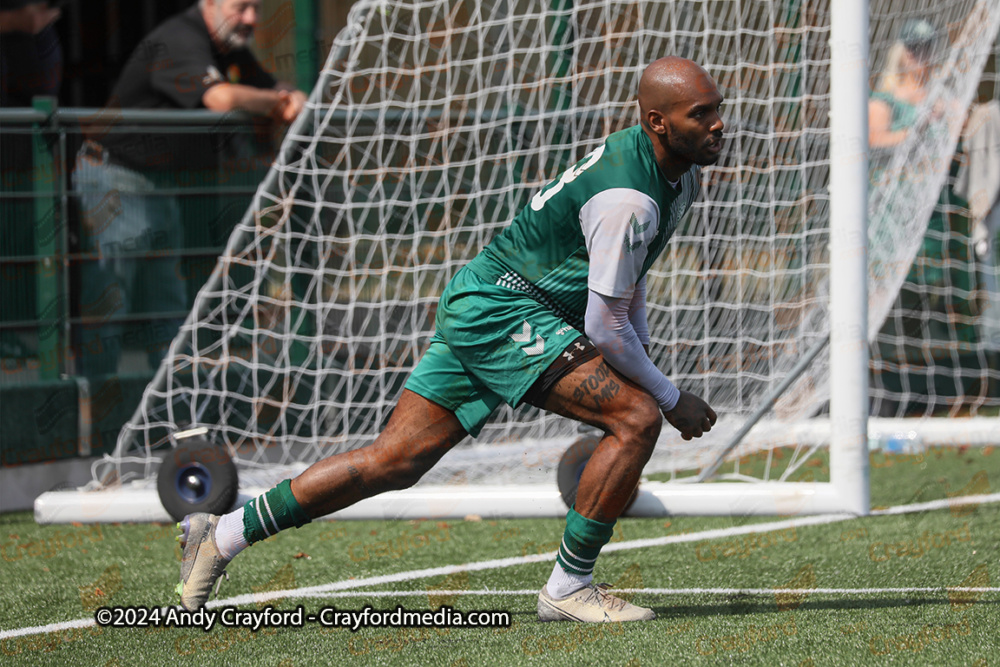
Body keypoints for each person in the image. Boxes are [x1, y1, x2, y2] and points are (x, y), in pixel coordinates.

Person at [177, 56, 724, 623]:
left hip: (492, 301)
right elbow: (605, 322)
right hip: (504, 309)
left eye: (717, 109)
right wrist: (668, 395)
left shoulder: (672, 171)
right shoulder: (629, 197)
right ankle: (568, 589)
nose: (717, 124)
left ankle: (222, 533)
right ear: (658, 123)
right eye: (700, 113)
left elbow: (625, 290)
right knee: (637, 418)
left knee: (393, 462)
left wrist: (648, 371)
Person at [72, 0, 307, 378]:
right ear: (209, 3)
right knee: (112, 294)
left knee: (167, 300)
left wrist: (290, 96)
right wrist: (277, 104)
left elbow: (274, 86)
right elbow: (220, 99)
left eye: (257, 8)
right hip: (114, 176)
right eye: (241, 7)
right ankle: (93, 406)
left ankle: (168, 410)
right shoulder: (180, 39)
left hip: (160, 183)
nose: (251, 18)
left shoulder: (230, 47)